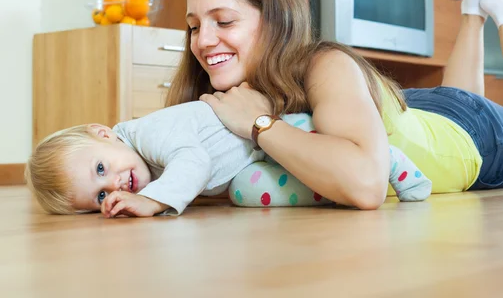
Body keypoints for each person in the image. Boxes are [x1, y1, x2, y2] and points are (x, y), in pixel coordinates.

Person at [168, 0, 503, 210]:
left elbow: (366, 184)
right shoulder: (217, 91)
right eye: (192, 26)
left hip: (472, 137)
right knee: (454, 98)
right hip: (409, 113)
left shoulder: (324, 63)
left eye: (223, 21)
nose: (203, 41)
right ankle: (473, 11)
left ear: (277, 20)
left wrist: (262, 126)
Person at [24, 100, 432, 216]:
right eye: (99, 196)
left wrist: (154, 200)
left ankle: (387, 159)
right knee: (245, 192)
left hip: (284, 131)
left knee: (312, 146)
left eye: (100, 168)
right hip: (251, 164)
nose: (113, 183)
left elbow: (195, 163)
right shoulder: (140, 161)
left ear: (105, 133)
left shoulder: (148, 131)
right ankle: (331, 193)